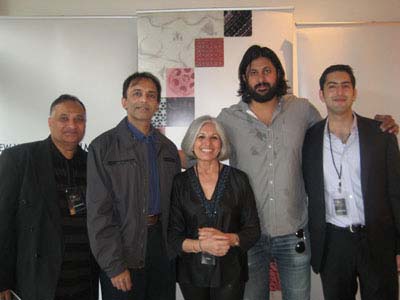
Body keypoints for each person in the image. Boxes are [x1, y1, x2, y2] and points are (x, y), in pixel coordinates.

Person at [215, 45, 398, 300]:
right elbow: (204, 148)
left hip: (294, 234)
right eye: (253, 72)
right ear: (244, 78)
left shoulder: (301, 110)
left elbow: (334, 126)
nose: (261, 77)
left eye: (267, 70)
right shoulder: (227, 118)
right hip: (250, 234)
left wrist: (377, 125)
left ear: (278, 74)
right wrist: (174, 155)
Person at [302, 64, 400, 300]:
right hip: (334, 242)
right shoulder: (309, 138)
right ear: (321, 94)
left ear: (354, 92)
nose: (339, 92)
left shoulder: (381, 134)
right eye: (332, 86)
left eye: (346, 86)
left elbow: (396, 192)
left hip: (378, 239)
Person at [86, 72, 181, 300]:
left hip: (161, 248)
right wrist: (114, 265)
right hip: (123, 248)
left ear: (157, 104)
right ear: (124, 101)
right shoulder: (103, 147)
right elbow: (98, 212)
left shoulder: (167, 149)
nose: (144, 100)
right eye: (137, 93)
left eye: (151, 95)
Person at [0, 94, 99, 300]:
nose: (72, 125)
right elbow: (3, 223)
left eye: (79, 119)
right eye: (64, 118)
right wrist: (2, 281)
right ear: (50, 122)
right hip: (39, 281)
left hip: (84, 278)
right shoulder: (20, 159)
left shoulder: (93, 164)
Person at [168, 115, 260, 300]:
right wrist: (202, 245)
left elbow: (253, 230)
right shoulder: (179, 182)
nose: (207, 143)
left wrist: (228, 239)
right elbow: (173, 236)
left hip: (231, 271)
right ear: (192, 142)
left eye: (214, 137)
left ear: (221, 143)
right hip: (192, 273)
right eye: (200, 136)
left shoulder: (239, 179)